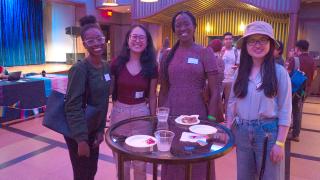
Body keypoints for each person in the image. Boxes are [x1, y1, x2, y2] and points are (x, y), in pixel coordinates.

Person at [226, 21, 292, 180]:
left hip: (268, 133)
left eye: (263, 40)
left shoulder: (279, 72)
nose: (257, 45)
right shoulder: (240, 72)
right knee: (244, 177)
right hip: (242, 132)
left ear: (270, 44)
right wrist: (228, 129)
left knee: (270, 177)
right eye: (252, 41)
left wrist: (280, 143)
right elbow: (231, 103)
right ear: (246, 45)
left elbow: (285, 110)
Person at [159, 10, 220, 180]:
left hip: (198, 115)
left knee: (197, 157)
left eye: (187, 24)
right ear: (174, 29)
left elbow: (215, 91)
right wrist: (161, 121)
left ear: (194, 27)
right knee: (173, 157)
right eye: (178, 25)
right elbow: (163, 91)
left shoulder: (204, 52)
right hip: (172, 113)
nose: (182, 28)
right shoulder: (167, 55)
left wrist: (211, 122)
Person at [64, 15, 111, 180]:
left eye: (99, 38)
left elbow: (103, 102)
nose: (96, 43)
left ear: (104, 39)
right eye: (90, 41)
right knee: (82, 174)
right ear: (84, 44)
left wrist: (100, 130)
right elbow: (72, 106)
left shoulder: (106, 67)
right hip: (79, 131)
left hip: (93, 128)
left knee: (91, 171)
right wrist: (81, 140)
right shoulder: (79, 69)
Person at [109, 24, 158, 180]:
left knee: (140, 164)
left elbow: (151, 96)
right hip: (119, 114)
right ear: (128, 39)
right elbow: (109, 91)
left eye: (142, 37)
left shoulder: (151, 66)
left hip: (142, 115)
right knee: (121, 163)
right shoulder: (117, 63)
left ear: (147, 42)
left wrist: (153, 120)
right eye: (134, 36)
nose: (138, 40)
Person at [286, 40, 317, 141]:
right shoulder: (312, 60)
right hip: (306, 90)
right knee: (298, 109)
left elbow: (287, 74)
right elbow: (314, 74)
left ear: (297, 49)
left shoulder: (295, 60)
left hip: (295, 90)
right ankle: (295, 131)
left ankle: (295, 134)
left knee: (294, 110)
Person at [222, 32, 240, 114]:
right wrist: (220, 54)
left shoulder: (236, 52)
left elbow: (238, 65)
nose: (228, 41)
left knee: (228, 101)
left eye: (230, 39)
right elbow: (215, 63)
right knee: (217, 100)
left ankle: (226, 118)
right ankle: (216, 119)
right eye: (226, 39)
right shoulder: (220, 50)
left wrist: (236, 68)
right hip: (220, 80)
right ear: (224, 41)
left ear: (232, 40)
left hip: (231, 80)